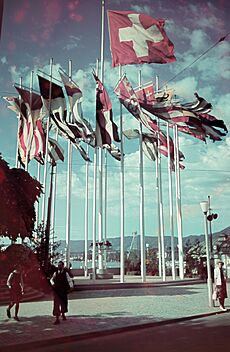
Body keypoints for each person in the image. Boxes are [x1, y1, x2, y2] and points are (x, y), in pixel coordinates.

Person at [50, 261, 74, 325]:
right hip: (57, 291)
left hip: (63, 291)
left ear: (63, 266)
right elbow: (51, 279)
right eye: (58, 265)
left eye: (60, 265)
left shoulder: (65, 273)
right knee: (56, 304)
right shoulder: (55, 273)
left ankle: (63, 314)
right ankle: (57, 318)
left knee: (63, 303)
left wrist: (71, 287)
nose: (59, 266)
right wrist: (53, 283)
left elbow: (69, 280)